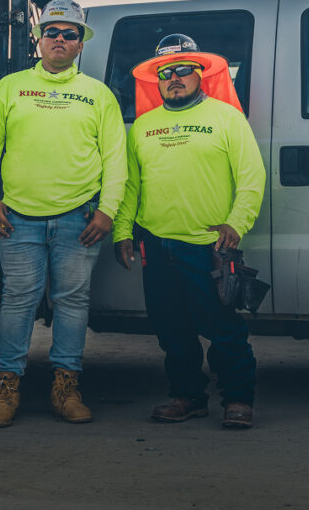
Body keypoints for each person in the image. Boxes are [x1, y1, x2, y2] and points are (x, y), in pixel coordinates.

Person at [0, 0, 126, 427]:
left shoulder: (98, 96)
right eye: (52, 32)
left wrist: (108, 210)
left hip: (80, 217)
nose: (60, 39)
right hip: (17, 218)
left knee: (73, 302)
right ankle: (5, 390)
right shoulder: (11, 88)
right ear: (38, 40)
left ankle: (66, 389)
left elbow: (116, 158)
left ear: (80, 44)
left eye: (69, 34)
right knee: (17, 300)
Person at [113, 34, 266, 428]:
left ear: (201, 75)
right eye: (166, 73)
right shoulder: (143, 126)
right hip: (156, 244)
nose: (175, 78)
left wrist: (237, 222)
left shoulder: (227, 117)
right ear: (157, 81)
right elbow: (131, 185)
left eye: (184, 70)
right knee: (171, 329)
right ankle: (187, 397)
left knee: (223, 328)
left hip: (209, 245)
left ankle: (238, 399)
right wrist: (123, 231)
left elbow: (252, 176)